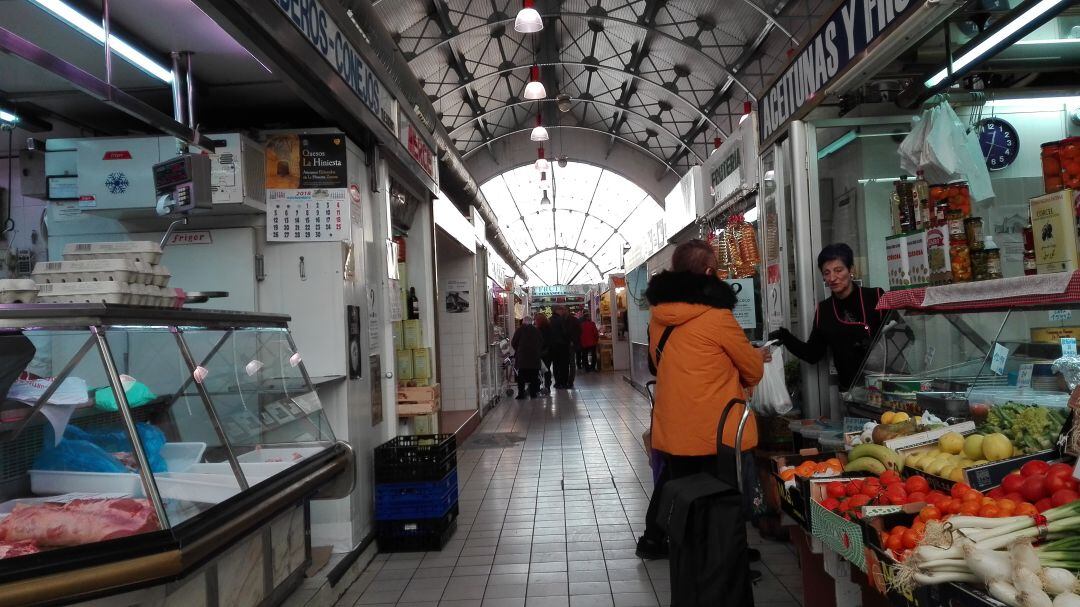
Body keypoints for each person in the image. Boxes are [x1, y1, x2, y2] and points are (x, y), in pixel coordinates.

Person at [637, 239, 770, 573]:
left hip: (675, 429)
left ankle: (691, 562)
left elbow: (657, 361)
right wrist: (756, 356)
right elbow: (752, 371)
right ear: (710, 273)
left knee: (687, 498)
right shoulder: (717, 317)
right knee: (723, 502)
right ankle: (726, 565)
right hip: (717, 432)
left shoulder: (659, 318)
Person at [769, 243, 886, 391]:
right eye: (826, 272)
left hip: (885, 385)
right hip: (851, 391)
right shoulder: (824, 310)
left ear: (851, 269)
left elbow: (902, 334)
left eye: (838, 270)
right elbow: (812, 354)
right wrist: (785, 337)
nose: (832, 278)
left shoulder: (875, 296)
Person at [510, 316, 543, 399]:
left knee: (521, 376)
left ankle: (521, 393)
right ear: (531, 322)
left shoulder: (519, 330)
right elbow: (541, 342)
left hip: (522, 358)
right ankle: (533, 393)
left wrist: (519, 350)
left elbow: (514, 342)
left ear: (523, 322)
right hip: (534, 357)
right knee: (534, 376)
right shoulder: (536, 330)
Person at [547, 306, 571, 389]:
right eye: (561, 310)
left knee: (556, 365)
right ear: (557, 310)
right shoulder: (561, 320)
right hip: (562, 345)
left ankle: (557, 382)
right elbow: (565, 332)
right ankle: (564, 382)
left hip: (553, 346)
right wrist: (568, 341)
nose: (562, 311)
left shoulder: (549, 320)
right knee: (564, 365)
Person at [534, 312, 555, 394]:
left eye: (536, 320)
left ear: (539, 320)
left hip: (542, 352)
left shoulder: (538, 329)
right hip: (548, 352)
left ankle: (540, 386)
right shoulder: (549, 328)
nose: (535, 321)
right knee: (546, 369)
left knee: (540, 369)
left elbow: (541, 341)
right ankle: (547, 386)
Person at [564, 309, 581, 388]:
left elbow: (578, 331)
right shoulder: (574, 320)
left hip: (569, 344)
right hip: (571, 344)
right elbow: (580, 331)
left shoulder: (567, 320)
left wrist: (572, 340)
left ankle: (569, 381)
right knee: (571, 363)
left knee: (569, 362)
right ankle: (570, 380)